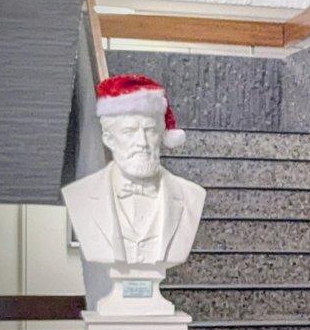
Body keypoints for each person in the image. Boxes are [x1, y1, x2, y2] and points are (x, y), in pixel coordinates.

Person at [62, 74, 204, 267]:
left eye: (150, 131)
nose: (142, 143)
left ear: (162, 134)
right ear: (109, 138)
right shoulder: (79, 195)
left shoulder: (192, 196)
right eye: (129, 132)